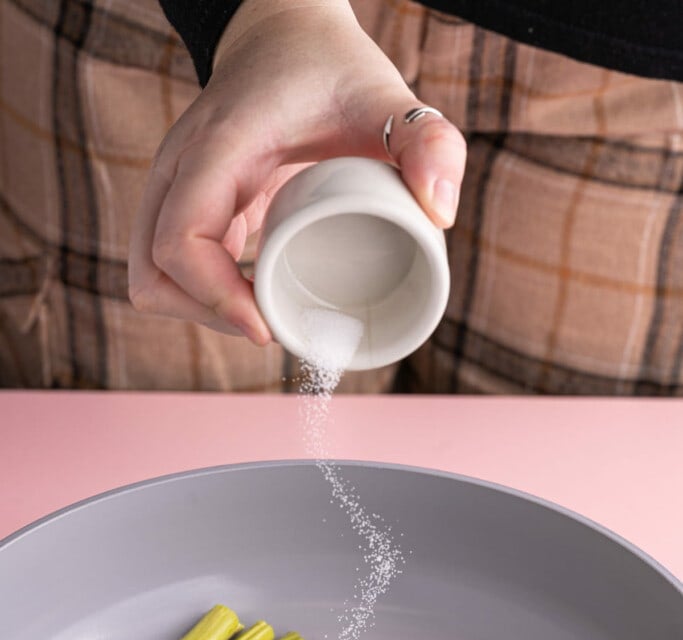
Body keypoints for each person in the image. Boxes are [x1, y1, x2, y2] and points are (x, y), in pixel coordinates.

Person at [1, 1, 681, 394]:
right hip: (193, 39)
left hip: (630, 58)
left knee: (563, 478)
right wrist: (265, 13)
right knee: (167, 451)